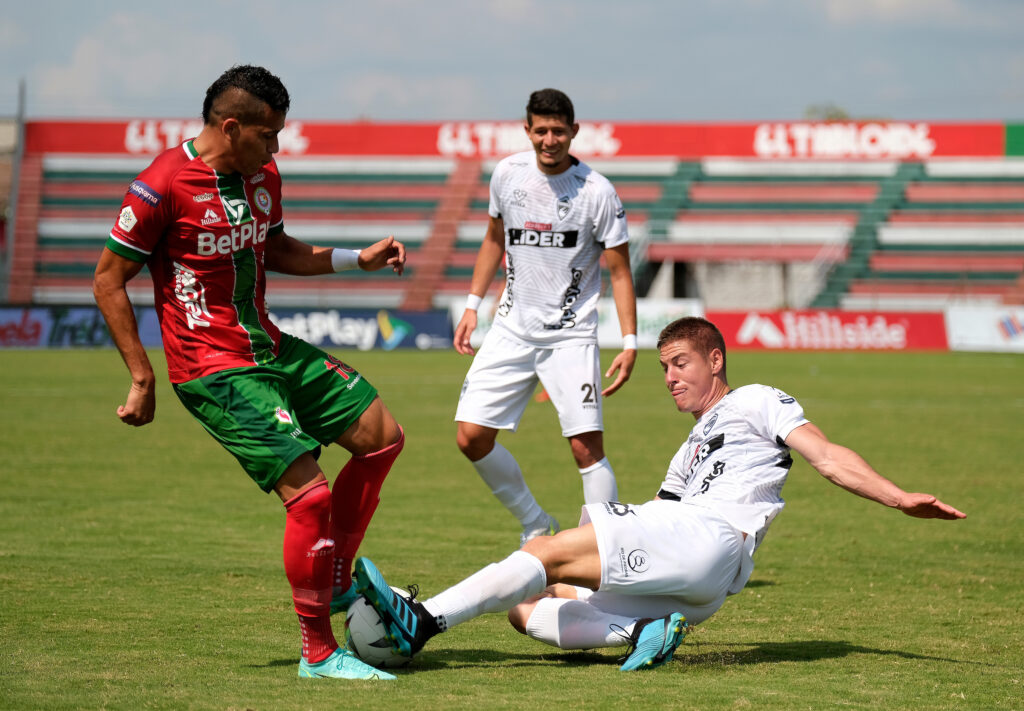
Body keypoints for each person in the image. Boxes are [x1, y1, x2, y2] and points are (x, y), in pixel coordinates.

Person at [351, 316, 966, 671]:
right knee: (527, 606)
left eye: (680, 363)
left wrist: (897, 497)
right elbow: (661, 516)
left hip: (712, 538)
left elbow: (826, 456)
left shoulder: (754, 398)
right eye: (665, 368)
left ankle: (422, 621)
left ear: (716, 360)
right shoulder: (688, 447)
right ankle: (643, 633)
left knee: (547, 549)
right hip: (697, 588)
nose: (670, 378)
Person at [93, 65, 407, 681]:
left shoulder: (261, 176)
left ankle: (339, 573)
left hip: (267, 346)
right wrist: (141, 375)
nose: (277, 148)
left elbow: (279, 249)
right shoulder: (160, 187)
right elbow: (107, 280)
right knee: (309, 497)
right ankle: (318, 653)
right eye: (268, 136)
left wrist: (356, 259)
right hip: (211, 368)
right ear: (231, 127)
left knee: (381, 436)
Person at [452, 88, 638, 546]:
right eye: (541, 130)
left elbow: (619, 271)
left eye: (559, 131)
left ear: (574, 132)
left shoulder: (597, 192)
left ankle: (596, 551)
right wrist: (473, 306)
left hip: (570, 336)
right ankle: (536, 523)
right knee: (471, 437)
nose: (549, 139)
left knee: (585, 449)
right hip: (511, 329)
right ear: (527, 130)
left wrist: (630, 342)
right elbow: (494, 239)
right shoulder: (508, 175)